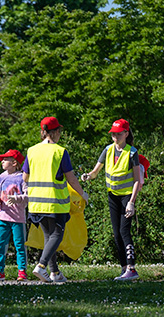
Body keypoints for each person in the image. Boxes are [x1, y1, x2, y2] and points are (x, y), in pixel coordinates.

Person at [24, 116, 87, 283]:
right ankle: (41, 266)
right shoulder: (60, 151)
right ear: (56, 132)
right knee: (57, 235)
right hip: (55, 203)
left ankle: (54, 273)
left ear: (42, 132)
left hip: (36, 203)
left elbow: (25, 177)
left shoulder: (32, 151)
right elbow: (71, 179)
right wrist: (82, 194)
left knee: (48, 236)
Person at [83, 118, 144, 281]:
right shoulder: (108, 150)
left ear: (125, 133)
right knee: (116, 233)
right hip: (112, 196)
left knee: (125, 231)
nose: (115, 137)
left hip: (126, 197)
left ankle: (132, 268)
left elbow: (137, 180)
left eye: (118, 134)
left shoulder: (132, 152)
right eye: (113, 134)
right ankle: (124, 268)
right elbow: (96, 171)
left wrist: (131, 202)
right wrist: (88, 176)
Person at [0, 149, 28, 281]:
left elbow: (28, 195)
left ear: (14, 163)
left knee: (20, 245)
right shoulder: (0, 178)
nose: (2, 161)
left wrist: (17, 199)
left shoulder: (22, 177)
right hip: (3, 217)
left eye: (5, 159)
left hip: (18, 218)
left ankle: (22, 271)